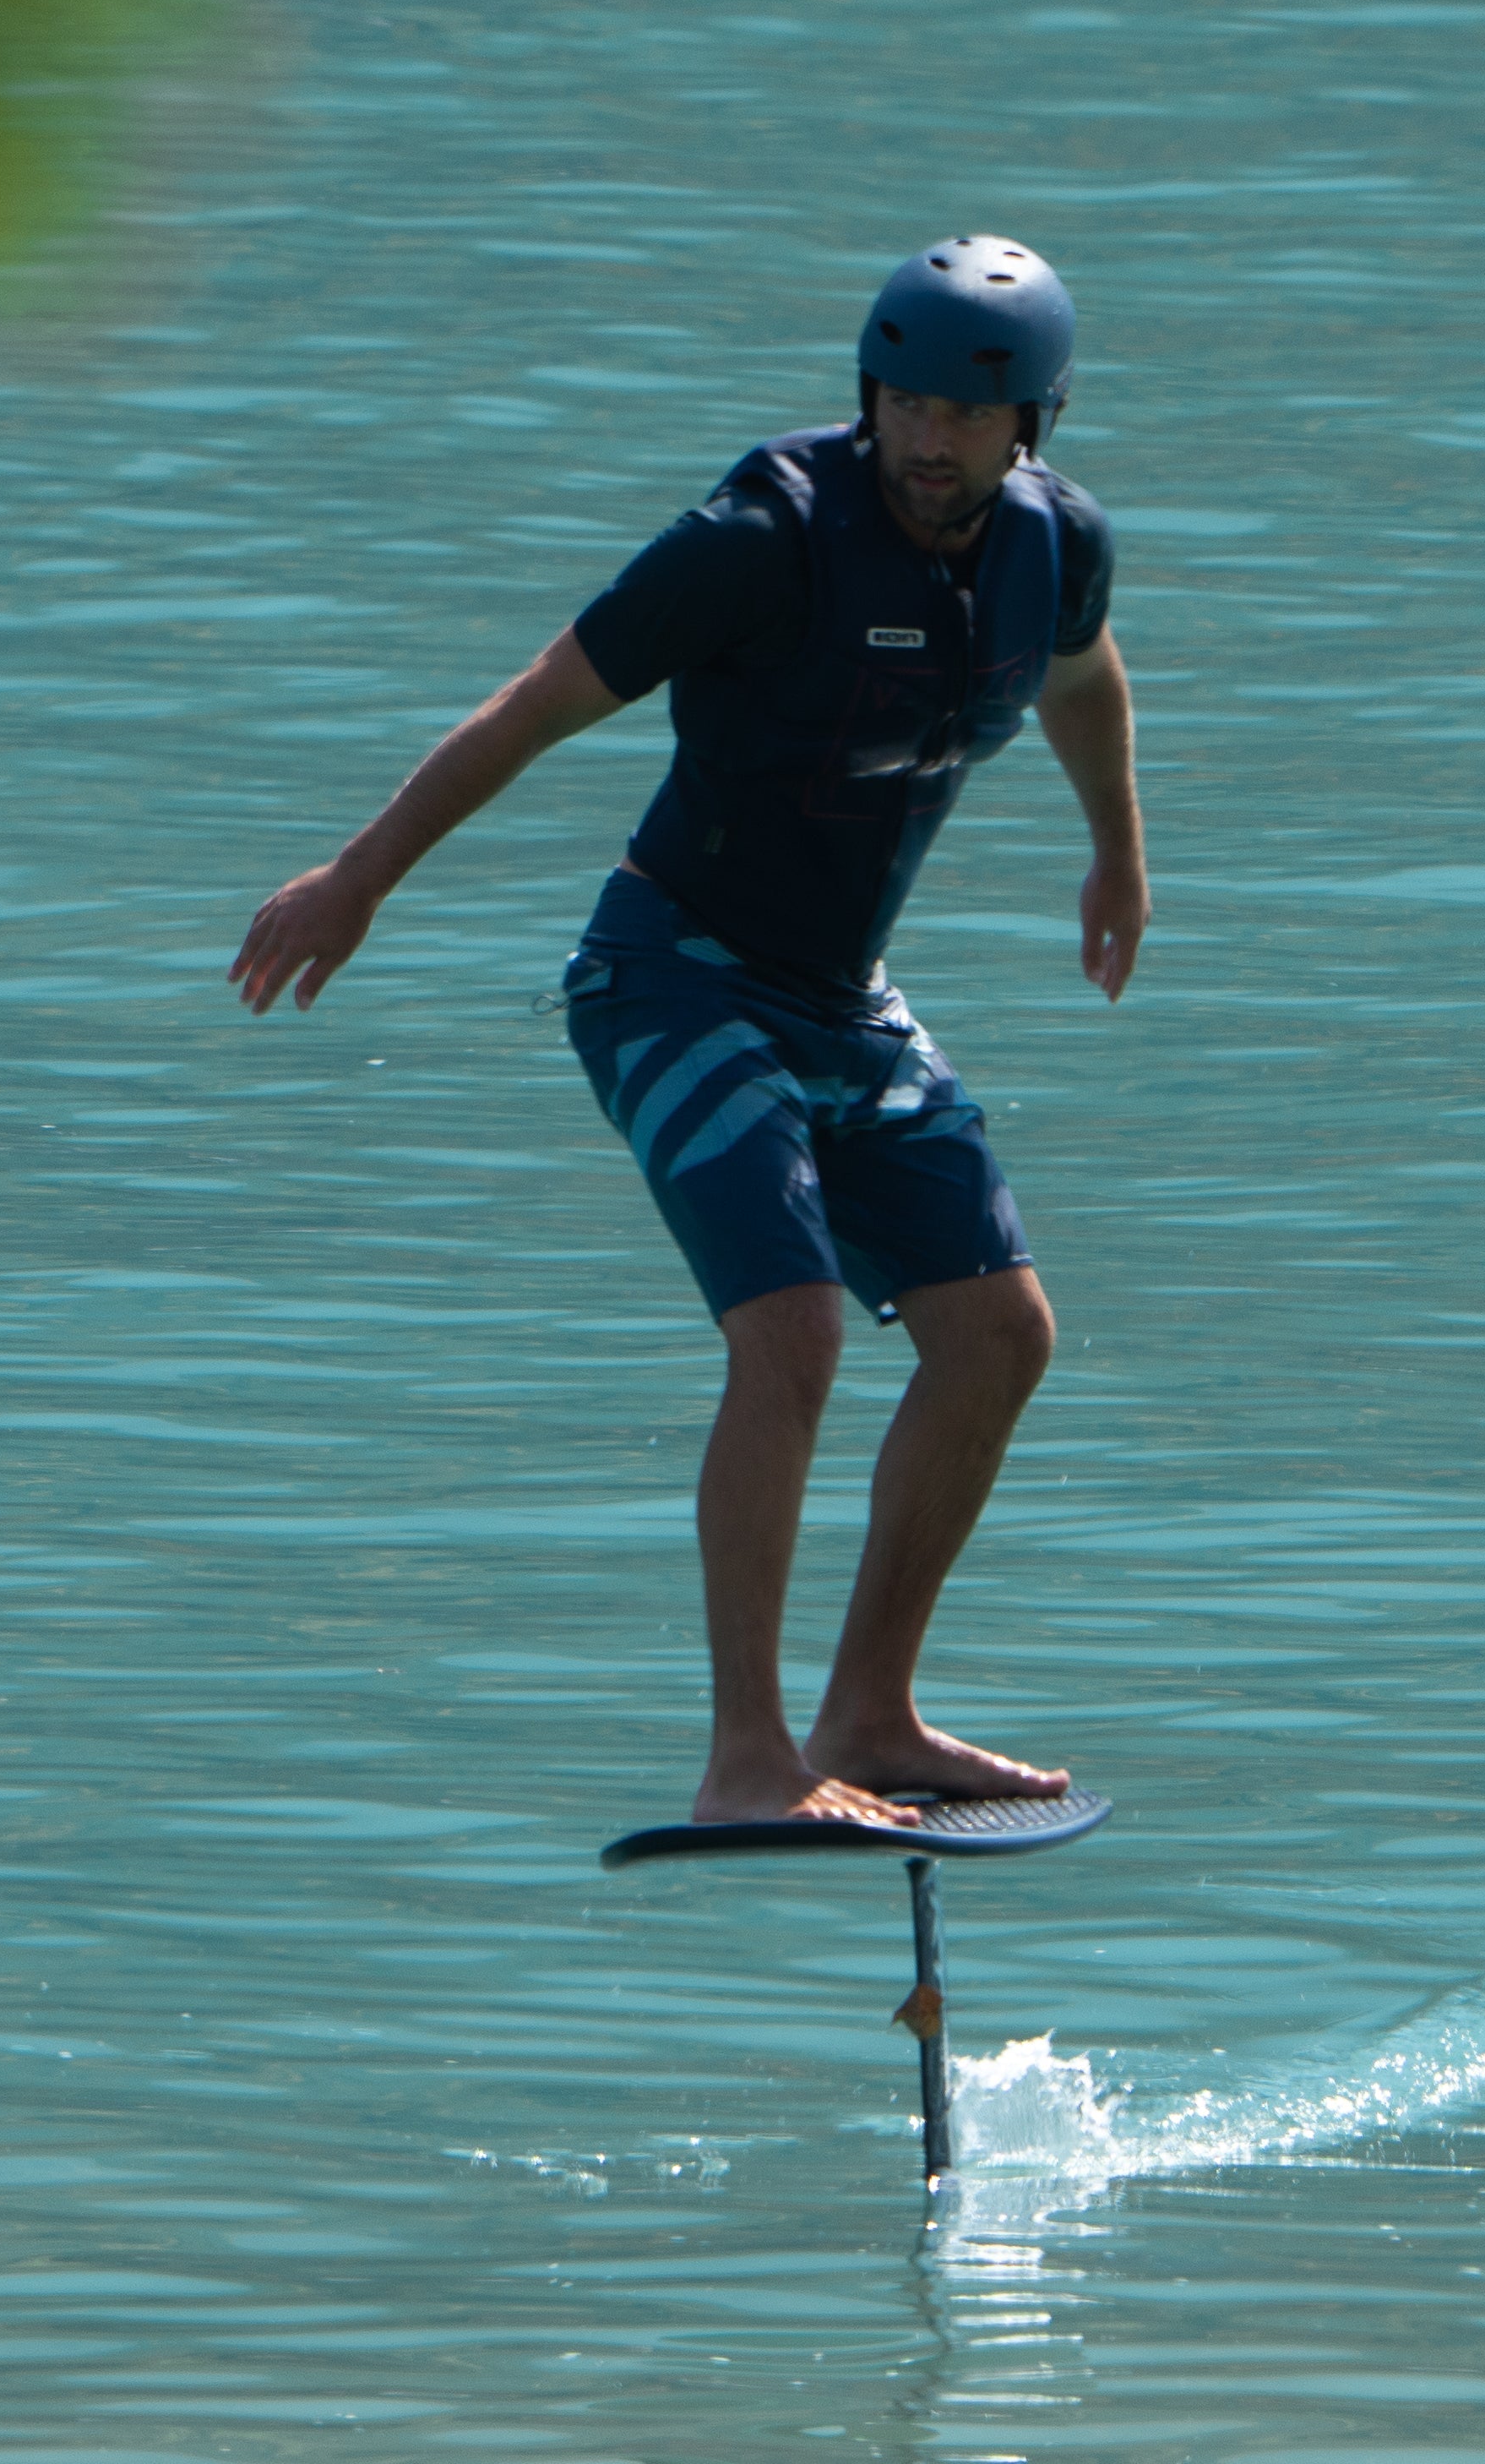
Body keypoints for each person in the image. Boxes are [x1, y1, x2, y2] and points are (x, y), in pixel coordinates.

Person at [230, 237, 1148, 1829]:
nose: (928, 440)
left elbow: (1081, 679)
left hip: (844, 1002)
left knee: (1001, 1337)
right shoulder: (759, 539)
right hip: (674, 976)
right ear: (869, 392)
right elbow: (535, 703)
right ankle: (747, 1758)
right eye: (904, 401)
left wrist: (1118, 850)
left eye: (966, 414)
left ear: (1032, 428)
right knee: (785, 1334)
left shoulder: (1054, 548)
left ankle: (873, 1711)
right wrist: (359, 878)